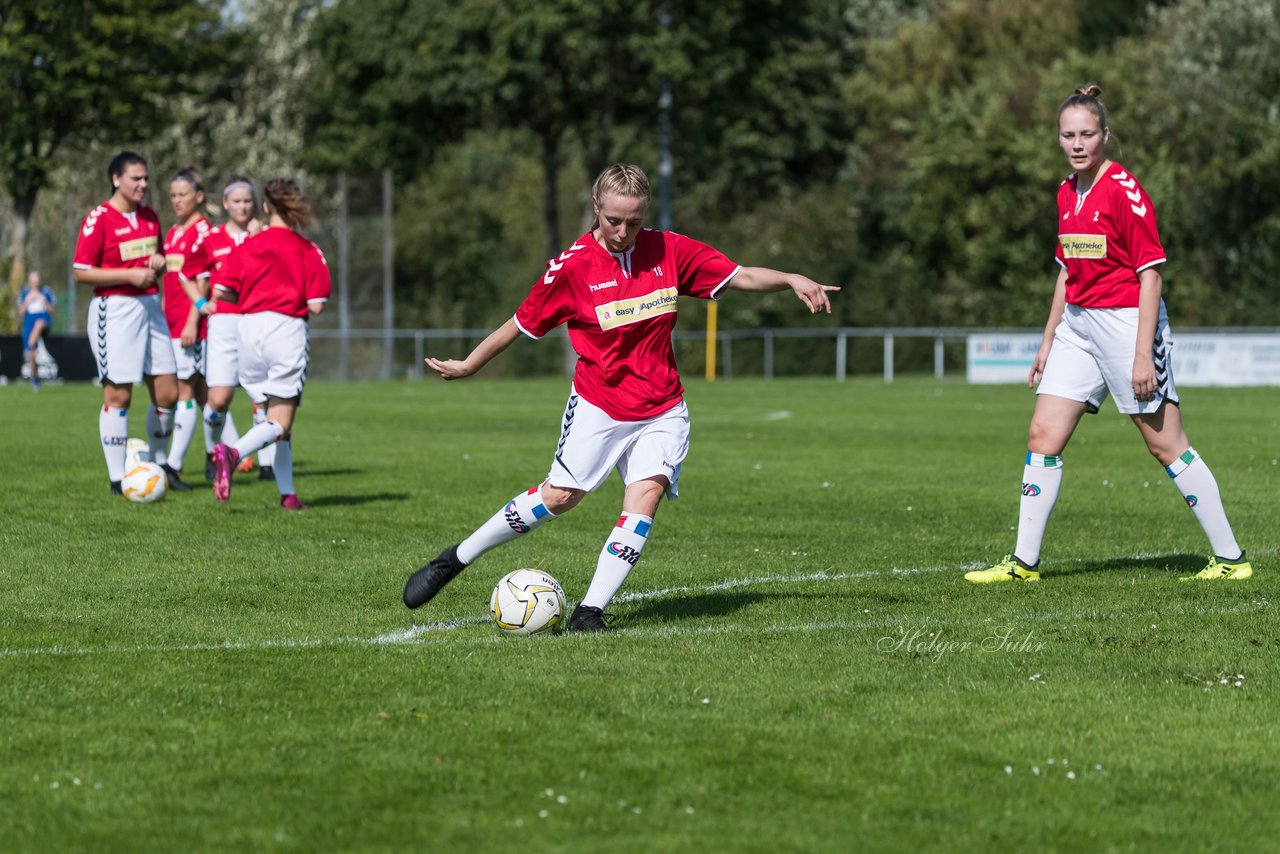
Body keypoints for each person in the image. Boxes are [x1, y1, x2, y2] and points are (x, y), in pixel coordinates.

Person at [402, 162, 840, 631]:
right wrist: (470, 364)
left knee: (645, 495)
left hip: (663, 407)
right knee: (561, 496)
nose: (624, 231)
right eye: (614, 220)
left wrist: (792, 278)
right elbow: (520, 323)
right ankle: (456, 559)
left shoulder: (669, 250)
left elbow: (739, 276)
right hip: (600, 404)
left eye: (633, 221)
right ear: (596, 208)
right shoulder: (572, 268)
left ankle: (590, 612)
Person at [966, 84, 1252, 584]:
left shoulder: (1124, 191)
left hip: (1127, 324)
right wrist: (1048, 339)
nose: (1077, 144)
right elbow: (1065, 272)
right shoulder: (1064, 192)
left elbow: (1152, 276)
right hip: (1078, 324)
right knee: (1042, 435)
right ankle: (1023, 565)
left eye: (1087, 135)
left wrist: (1143, 355)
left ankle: (1231, 559)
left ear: (1104, 135)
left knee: (1166, 444)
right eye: (1067, 135)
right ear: (1058, 138)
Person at [207, 177, 330, 510]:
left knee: (269, 419)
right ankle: (232, 453)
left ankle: (288, 495)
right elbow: (317, 305)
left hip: (247, 330)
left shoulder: (245, 246)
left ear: (264, 206)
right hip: (285, 329)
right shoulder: (306, 249)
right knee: (281, 422)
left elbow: (221, 291)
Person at [74, 151, 183, 496]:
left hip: (151, 306)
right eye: (136, 178)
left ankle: (161, 467)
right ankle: (116, 479)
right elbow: (81, 271)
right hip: (115, 309)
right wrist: (129, 274)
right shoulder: (99, 219)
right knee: (119, 394)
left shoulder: (150, 216)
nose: (143, 184)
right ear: (116, 179)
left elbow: (160, 258)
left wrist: (158, 262)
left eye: (146, 178)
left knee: (168, 392)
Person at [201, 175, 270, 482]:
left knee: (264, 396)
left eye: (247, 201)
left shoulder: (266, 236)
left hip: (258, 320)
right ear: (225, 203)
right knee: (218, 399)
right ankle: (212, 452)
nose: (243, 207)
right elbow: (191, 275)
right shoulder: (213, 239)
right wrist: (199, 304)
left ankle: (268, 465)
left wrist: (259, 239)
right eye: (237, 201)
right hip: (224, 323)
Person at [158, 166, 216, 491]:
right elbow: (172, 281)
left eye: (182, 195)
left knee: (185, 390)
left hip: (192, 325)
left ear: (199, 196)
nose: (177, 201)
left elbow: (204, 281)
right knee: (205, 391)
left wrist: (194, 319)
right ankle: (214, 454)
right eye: (173, 195)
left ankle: (173, 466)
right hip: (173, 322)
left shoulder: (203, 232)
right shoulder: (174, 232)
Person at [19, 270, 56, 391]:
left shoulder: (46, 292)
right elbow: (21, 312)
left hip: (43, 322)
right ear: (30, 282)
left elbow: (52, 310)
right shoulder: (25, 294)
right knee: (32, 355)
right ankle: (35, 378)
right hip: (29, 324)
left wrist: (43, 300)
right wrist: (28, 300)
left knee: (39, 324)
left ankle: (31, 341)